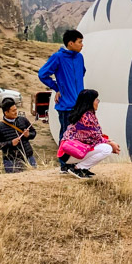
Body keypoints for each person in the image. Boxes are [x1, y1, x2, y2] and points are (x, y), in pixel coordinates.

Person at [38, 29, 86, 173]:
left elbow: (81, 73)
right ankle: (65, 166)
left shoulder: (80, 57)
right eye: (80, 42)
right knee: (66, 135)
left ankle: (75, 163)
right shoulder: (58, 57)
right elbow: (42, 74)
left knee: (79, 135)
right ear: (70, 43)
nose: (82, 45)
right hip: (65, 105)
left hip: (80, 104)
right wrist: (57, 87)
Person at [58, 89, 119, 179]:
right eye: (96, 100)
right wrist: (111, 143)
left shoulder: (84, 114)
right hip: (71, 152)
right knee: (107, 149)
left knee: (105, 146)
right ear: (90, 101)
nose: (98, 102)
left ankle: (82, 168)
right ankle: (79, 168)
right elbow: (95, 138)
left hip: (68, 152)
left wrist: (108, 141)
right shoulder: (87, 117)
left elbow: (95, 136)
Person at [0, 98, 37, 172]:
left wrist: (28, 135)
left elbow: (34, 133)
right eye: (13, 111)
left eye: (16, 110)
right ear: (6, 113)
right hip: (11, 161)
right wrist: (10, 143)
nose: (16, 112)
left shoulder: (23, 120)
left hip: (29, 158)